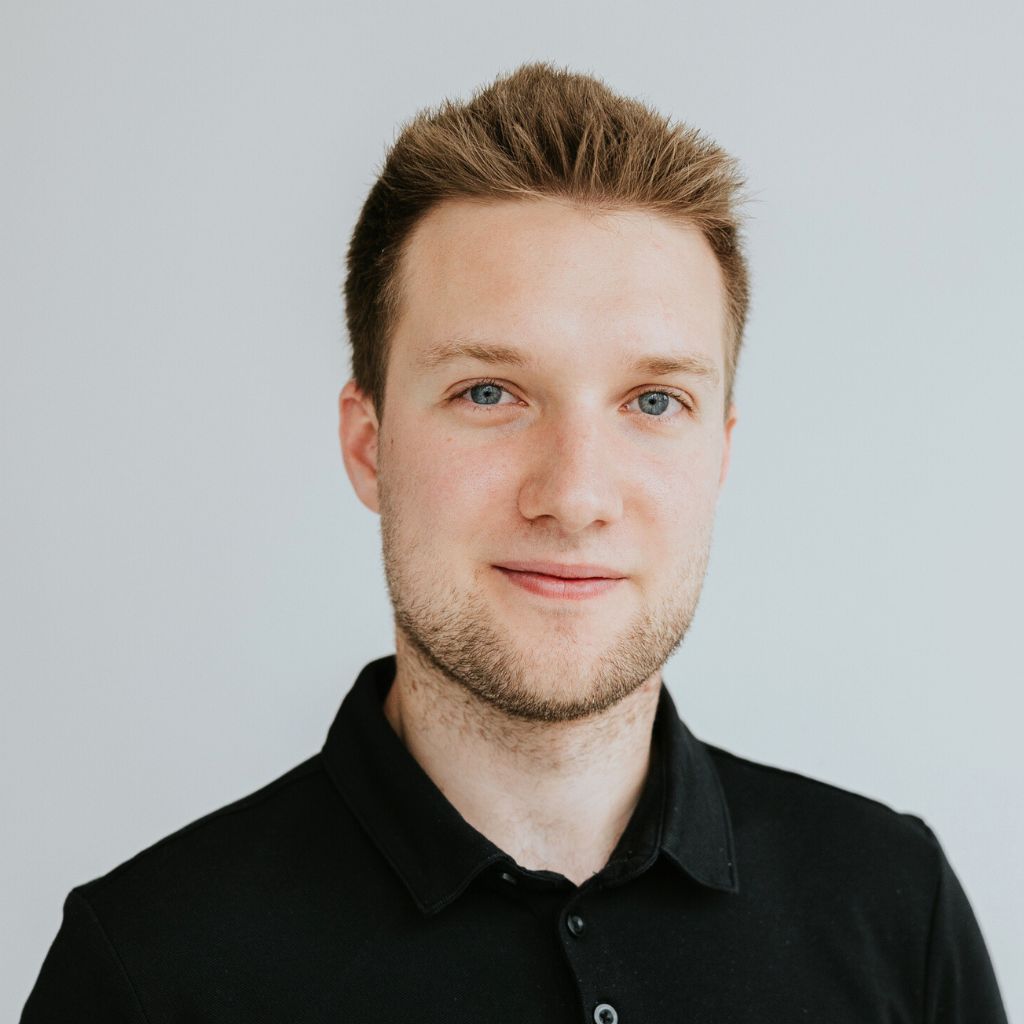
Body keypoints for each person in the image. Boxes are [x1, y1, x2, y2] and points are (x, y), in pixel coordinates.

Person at [21, 61, 1007, 1023]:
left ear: (719, 453)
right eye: (488, 392)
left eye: (653, 401)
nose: (574, 497)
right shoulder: (147, 971)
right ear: (369, 447)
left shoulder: (895, 911)